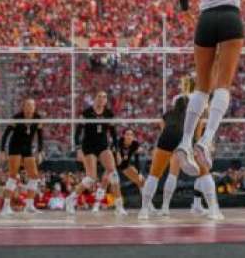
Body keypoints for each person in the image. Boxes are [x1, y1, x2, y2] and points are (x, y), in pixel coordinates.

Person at [174, 0, 244, 178]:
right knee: (223, 85)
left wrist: (183, 7)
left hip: (205, 21)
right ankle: (206, 140)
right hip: (229, 18)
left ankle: (185, 142)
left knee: (201, 88)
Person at [140, 79, 220, 220]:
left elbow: (163, 125)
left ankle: (145, 211)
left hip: (169, 133)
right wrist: (197, 143)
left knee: (155, 174)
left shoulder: (171, 108)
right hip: (187, 134)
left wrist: (166, 146)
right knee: (204, 172)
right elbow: (199, 124)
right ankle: (213, 210)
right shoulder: (201, 102)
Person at [66, 91, 125, 215]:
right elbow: (77, 133)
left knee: (113, 173)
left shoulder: (109, 114)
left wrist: (117, 151)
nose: (101, 99)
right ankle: (70, 199)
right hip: (89, 146)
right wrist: (78, 149)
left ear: (106, 100)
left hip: (103, 146)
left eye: (104, 97)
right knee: (90, 178)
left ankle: (119, 206)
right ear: (95, 99)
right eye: (99, 96)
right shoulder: (86, 113)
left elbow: (114, 135)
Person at [0, 98, 43, 215]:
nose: (29, 108)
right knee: (13, 175)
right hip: (15, 146)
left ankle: (29, 205)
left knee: (34, 176)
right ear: (23, 107)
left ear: (34, 107)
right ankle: (6, 206)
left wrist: (40, 151)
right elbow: (6, 134)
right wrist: (2, 150)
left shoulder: (38, 118)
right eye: (27, 105)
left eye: (31, 105)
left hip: (27, 147)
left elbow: (40, 135)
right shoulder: (17, 117)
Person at [115, 128, 145, 207]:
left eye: (131, 135)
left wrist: (139, 173)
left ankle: (147, 204)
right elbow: (118, 160)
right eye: (127, 134)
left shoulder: (135, 144)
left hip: (124, 165)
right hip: (113, 165)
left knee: (141, 180)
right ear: (123, 136)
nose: (129, 136)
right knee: (107, 182)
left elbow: (136, 160)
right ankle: (97, 205)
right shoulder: (119, 142)